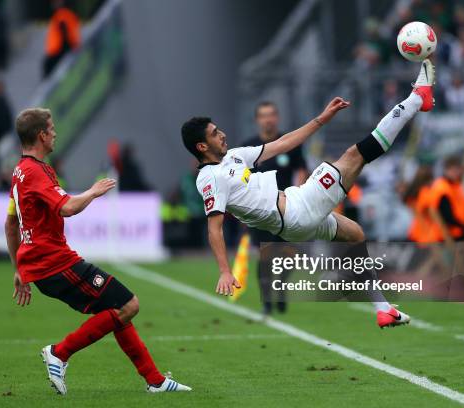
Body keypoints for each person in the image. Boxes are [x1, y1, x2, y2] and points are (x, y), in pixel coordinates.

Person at [182, 60, 438, 328]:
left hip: (295, 213)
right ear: (202, 146)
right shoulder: (209, 178)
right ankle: (416, 99)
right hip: (296, 212)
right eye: (214, 134)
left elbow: (281, 144)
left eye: (218, 129)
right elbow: (215, 227)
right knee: (355, 155)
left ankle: (384, 309)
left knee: (355, 234)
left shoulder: (233, 157)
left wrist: (321, 120)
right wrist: (225, 270)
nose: (222, 134)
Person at [5, 108, 190, 395]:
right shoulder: (35, 171)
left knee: (115, 309)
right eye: (52, 128)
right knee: (129, 305)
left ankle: (155, 380)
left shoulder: (19, 171)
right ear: (41, 135)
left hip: (42, 265)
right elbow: (67, 208)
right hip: (55, 263)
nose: (55, 133)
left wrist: (19, 267)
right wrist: (93, 191)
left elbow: (10, 222)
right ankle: (59, 353)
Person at [241, 101, 308, 315]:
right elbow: (243, 179)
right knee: (266, 256)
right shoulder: (249, 149)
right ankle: (267, 300)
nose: (268, 119)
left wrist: (299, 193)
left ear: (277, 118)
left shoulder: (289, 143)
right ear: (257, 120)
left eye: (271, 115)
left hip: (288, 208)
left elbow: (301, 170)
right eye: (263, 115)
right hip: (261, 211)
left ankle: (281, 287)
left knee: (291, 255)